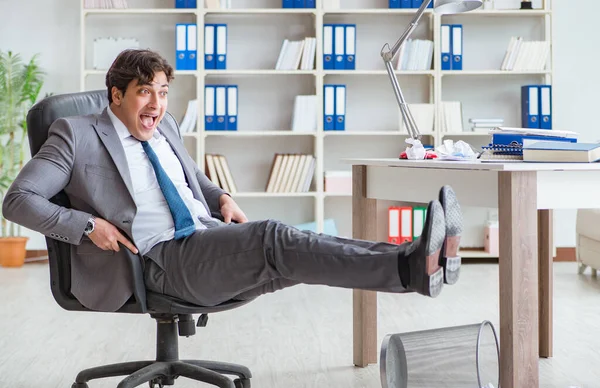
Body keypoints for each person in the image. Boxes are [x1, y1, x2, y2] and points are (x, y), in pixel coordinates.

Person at [2, 49, 463, 312]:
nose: (156, 105)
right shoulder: (76, 133)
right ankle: (409, 267)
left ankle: (413, 262)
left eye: (163, 93)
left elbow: (189, 178)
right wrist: (87, 226)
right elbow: (18, 200)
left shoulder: (165, 126)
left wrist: (219, 196)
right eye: (145, 92)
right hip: (155, 260)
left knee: (293, 250)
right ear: (116, 95)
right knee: (275, 240)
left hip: (204, 236)